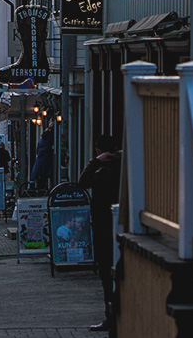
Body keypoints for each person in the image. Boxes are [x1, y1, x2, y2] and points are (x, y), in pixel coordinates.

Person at [78, 135, 122, 333]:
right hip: (118, 225)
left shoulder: (103, 170)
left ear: (98, 150)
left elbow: (82, 182)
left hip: (104, 226)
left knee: (106, 273)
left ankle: (111, 317)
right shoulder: (123, 166)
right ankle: (114, 316)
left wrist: (95, 162)